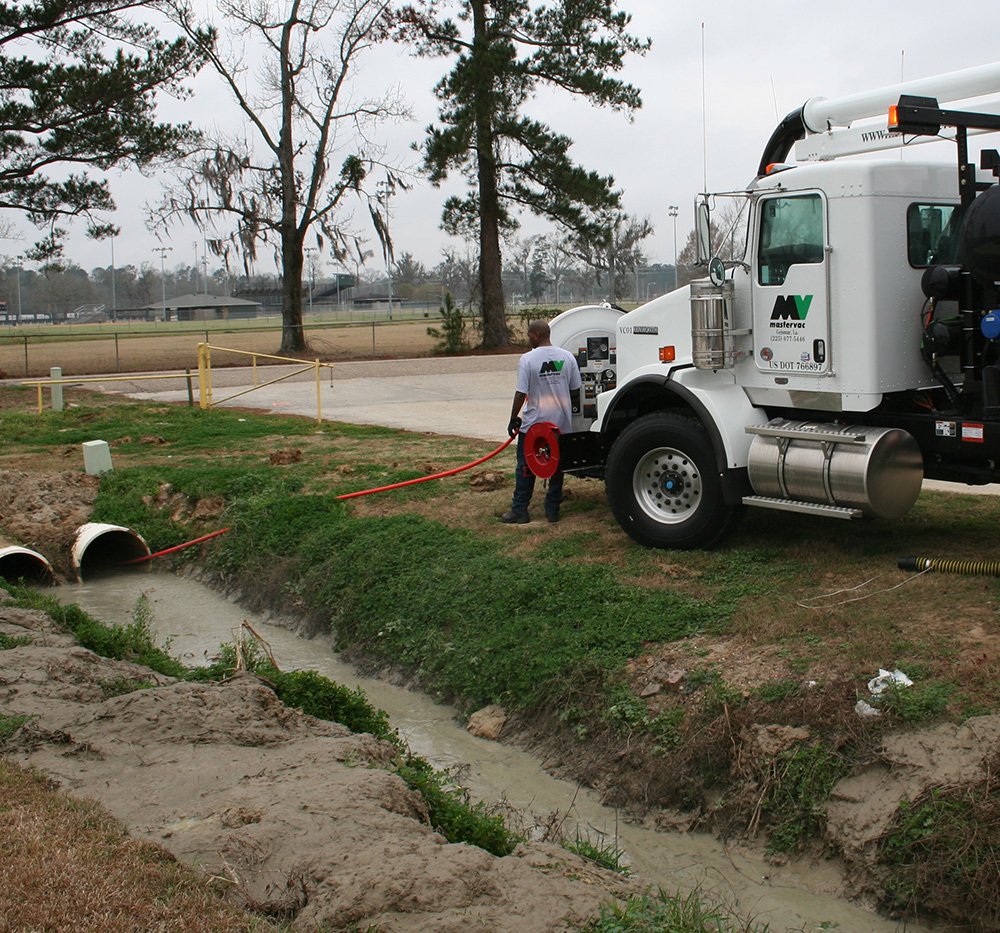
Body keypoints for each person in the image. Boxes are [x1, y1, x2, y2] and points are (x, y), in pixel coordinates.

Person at [502, 319, 582, 524]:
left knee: (525, 466)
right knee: (557, 465)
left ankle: (520, 510)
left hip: (534, 425)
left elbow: (521, 392)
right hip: (560, 425)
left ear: (535, 335)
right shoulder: (567, 357)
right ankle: (552, 509)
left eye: (529, 335)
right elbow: (575, 389)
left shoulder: (528, 359)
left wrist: (513, 418)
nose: (529, 339)